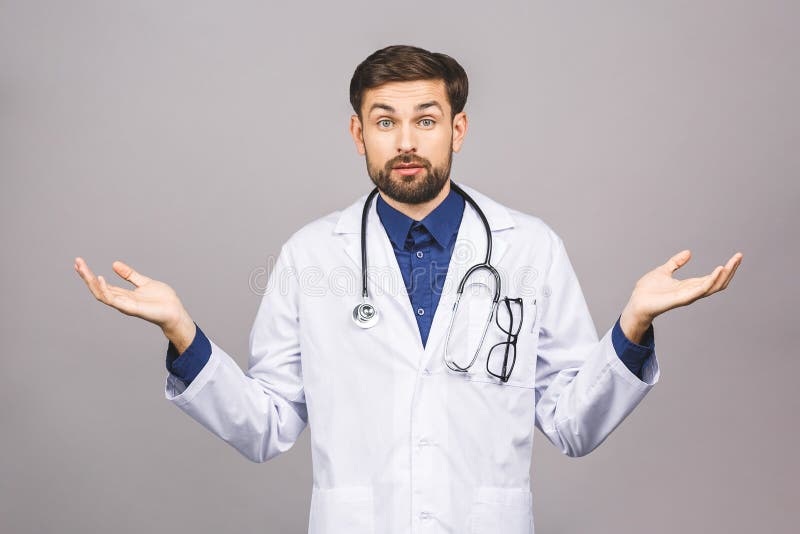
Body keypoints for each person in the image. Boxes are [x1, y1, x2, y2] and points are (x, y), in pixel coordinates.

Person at [75, 44, 742, 534]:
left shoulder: (530, 246)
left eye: (426, 120)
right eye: (385, 121)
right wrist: (182, 334)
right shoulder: (312, 255)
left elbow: (573, 424)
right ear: (357, 133)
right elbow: (266, 427)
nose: (406, 141)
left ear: (458, 129)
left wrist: (632, 326)